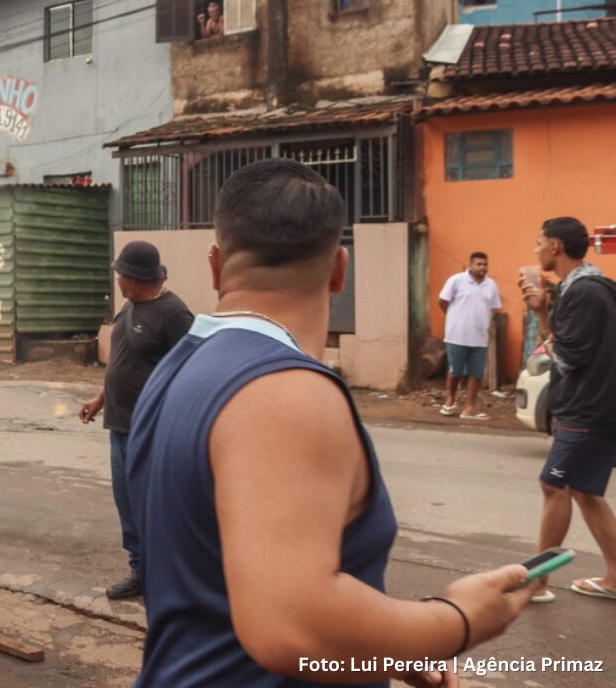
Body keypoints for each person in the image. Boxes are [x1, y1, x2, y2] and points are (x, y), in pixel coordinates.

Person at [127, 159, 529, 688]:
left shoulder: (181, 366)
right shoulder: (284, 393)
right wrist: (454, 621)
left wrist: (384, 654)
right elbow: (290, 627)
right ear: (340, 270)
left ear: (215, 264)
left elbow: (223, 577)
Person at [80, 241, 192, 600]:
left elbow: (191, 372)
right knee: (127, 503)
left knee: (155, 506)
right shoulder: (127, 310)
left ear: (131, 277)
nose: (116, 278)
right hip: (119, 425)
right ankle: (141, 571)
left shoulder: (173, 314)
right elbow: (121, 363)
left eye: (119, 272)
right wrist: (99, 400)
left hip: (153, 431)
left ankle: (171, 577)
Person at [521, 216, 616, 603]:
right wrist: (543, 311)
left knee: (553, 484)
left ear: (556, 247)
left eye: (540, 241)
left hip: (587, 408)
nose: (537, 249)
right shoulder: (593, 287)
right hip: (601, 405)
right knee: (585, 492)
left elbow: (568, 356)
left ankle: (537, 582)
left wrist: (543, 318)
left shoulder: (583, 293)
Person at [437, 252, 501, 420]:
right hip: (457, 334)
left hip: (479, 337)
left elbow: (494, 307)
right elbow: (442, 301)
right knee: (455, 370)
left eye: (485, 264)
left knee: (476, 373)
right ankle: (450, 399)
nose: (483, 268)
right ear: (470, 265)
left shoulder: (491, 285)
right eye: (479, 264)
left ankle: (470, 407)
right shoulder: (456, 280)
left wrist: (485, 322)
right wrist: (453, 317)